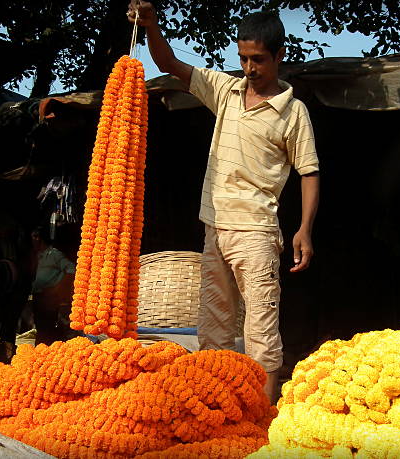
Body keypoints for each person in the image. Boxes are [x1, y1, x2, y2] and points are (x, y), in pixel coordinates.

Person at [127, 1, 320, 403]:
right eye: (243, 58)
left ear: (279, 55)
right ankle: (218, 408)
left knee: (261, 332)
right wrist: (151, 25)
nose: (249, 68)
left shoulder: (293, 112)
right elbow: (168, 62)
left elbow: (309, 173)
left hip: (257, 234)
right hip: (215, 228)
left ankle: (262, 419)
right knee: (213, 328)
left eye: (258, 60)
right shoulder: (226, 90)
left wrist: (304, 229)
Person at [30, 226, 77, 345]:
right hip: (38, 296)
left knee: (48, 327)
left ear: (39, 238)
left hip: (49, 297)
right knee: (40, 327)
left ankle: (48, 352)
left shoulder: (54, 254)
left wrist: (57, 288)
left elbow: (71, 269)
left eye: (34, 237)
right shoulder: (37, 256)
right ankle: (40, 352)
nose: (32, 241)